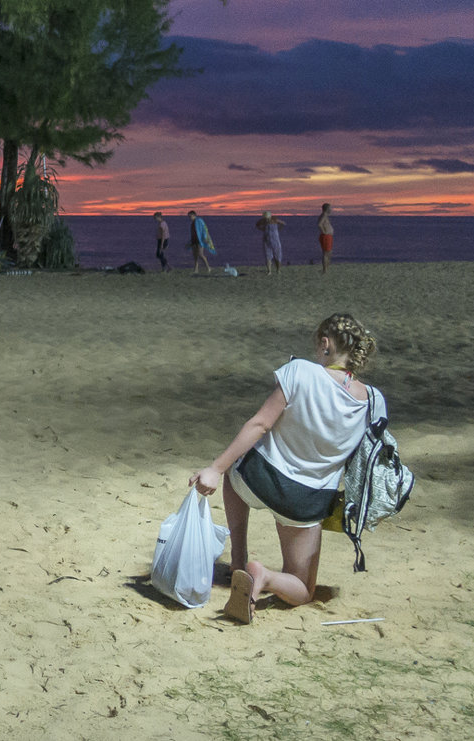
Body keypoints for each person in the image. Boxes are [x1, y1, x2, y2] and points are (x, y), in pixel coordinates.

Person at [189, 314, 381, 624]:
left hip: (259, 480)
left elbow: (260, 424)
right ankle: (263, 577)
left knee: (236, 470)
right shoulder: (373, 401)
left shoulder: (300, 371)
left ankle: (239, 559)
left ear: (325, 344)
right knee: (303, 589)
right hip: (305, 502)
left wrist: (215, 468)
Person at [317, 203, 334, 274]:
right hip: (326, 236)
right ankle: (325, 270)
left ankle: (326, 268)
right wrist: (324, 231)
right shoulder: (324, 215)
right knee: (326, 253)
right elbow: (319, 224)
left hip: (328, 236)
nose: (331, 210)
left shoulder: (325, 216)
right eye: (330, 208)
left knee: (328, 253)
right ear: (327, 209)